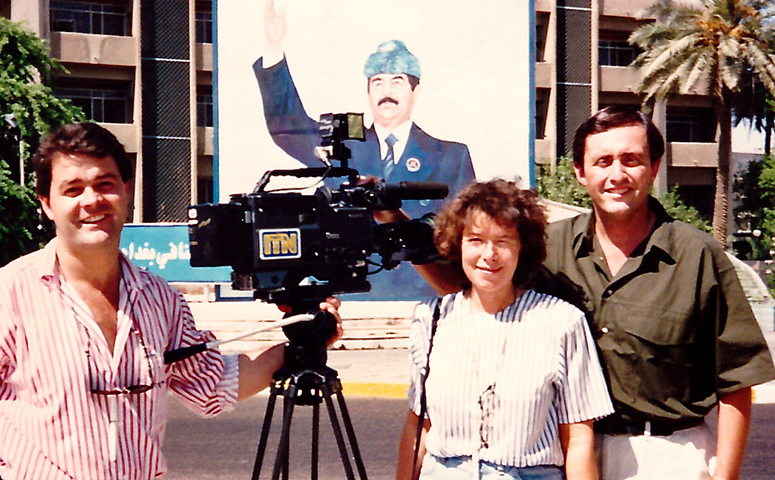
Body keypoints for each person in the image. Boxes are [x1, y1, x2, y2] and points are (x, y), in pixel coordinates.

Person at [0, 122, 343, 480]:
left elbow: (211, 387)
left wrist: (300, 343)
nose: (91, 201)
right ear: (47, 204)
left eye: (105, 184)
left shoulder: (159, 299)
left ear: (125, 190)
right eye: (73, 189)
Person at [411, 106, 775, 480]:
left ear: (654, 167)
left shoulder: (696, 255)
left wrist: (725, 475)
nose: (617, 175)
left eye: (631, 160)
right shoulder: (550, 247)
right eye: (603, 161)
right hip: (566, 453)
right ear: (581, 172)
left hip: (666, 456)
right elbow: (476, 286)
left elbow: (737, 380)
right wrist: (397, 230)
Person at [252, 0, 475, 299]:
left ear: (415, 91)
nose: (387, 92)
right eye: (378, 82)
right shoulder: (339, 149)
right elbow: (286, 126)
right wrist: (273, 47)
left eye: (397, 82)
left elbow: (462, 234)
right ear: (368, 92)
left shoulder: (451, 156)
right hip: (352, 299)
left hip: (427, 299)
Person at [395, 179, 614, 480]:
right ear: (458, 245)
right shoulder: (430, 319)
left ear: (522, 248)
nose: (489, 255)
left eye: (503, 241)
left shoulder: (562, 322)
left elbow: (577, 439)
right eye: (475, 240)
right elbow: (418, 425)